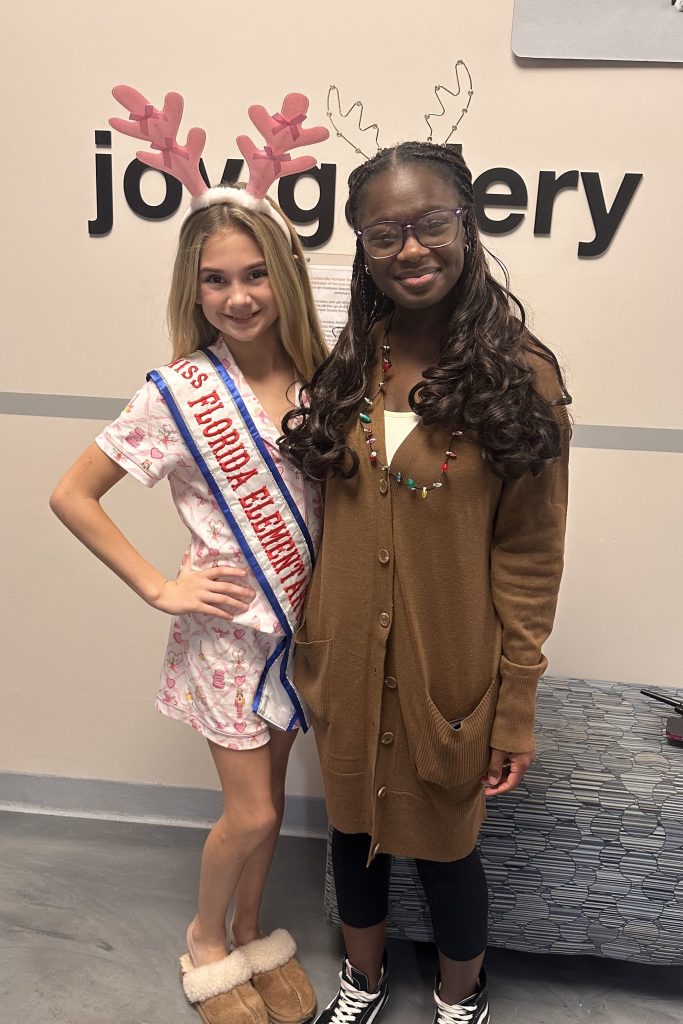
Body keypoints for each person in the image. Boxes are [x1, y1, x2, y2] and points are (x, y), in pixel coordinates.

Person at [51, 86, 329, 1024]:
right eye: (216, 280)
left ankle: (254, 930)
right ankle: (208, 946)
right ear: (192, 288)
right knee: (248, 814)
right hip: (226, 634)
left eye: (254, 274)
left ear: (282, 275)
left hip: (301, 624)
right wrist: (160, 586)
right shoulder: (177, 393)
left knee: (277, 801)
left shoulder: (321, 381)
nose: (238, 295)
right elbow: (71, 494)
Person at [280, 141, 571, 1024]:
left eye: (429, 223)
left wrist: (513, 702)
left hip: (451, 672)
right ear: (363, 248)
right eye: (383, 233)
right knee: (352, 837)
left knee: (447, 851)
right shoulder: (351, 362)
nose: (410, 249)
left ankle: (458, 993)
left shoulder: (522, 375)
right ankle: (362, 981)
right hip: (346, 666)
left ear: (465, 221)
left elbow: (530, 554)